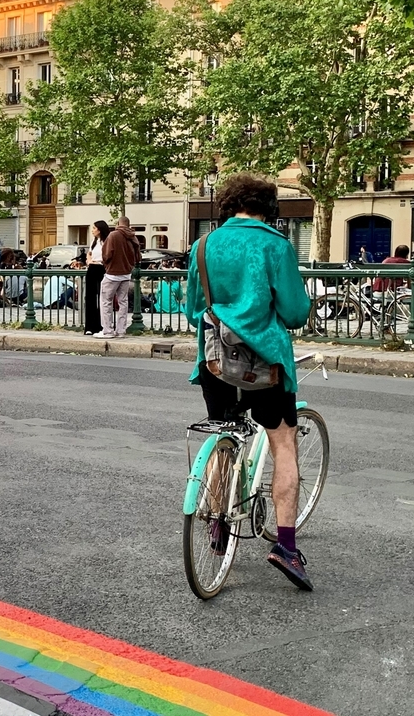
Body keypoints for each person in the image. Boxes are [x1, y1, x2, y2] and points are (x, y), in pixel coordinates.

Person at [184, 173, 313, 591]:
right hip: (266, 364)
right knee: (283, 443)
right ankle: (287, 548)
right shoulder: (276, 245)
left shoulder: (203, 246)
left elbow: (193, 308)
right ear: (268, 208)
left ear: (227, 207)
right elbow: (294, 313)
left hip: (217, 362)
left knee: (224, 433)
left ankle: (218, 525)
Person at [98, 216, 140, 338]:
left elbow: (106, 255)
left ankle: (108, 330)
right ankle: (121, 330)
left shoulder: (113, 235)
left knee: (106, 302)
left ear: (118, 223)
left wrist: (106, 264)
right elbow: (138, 256)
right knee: (123, 302)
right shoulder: (133, 237)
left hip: (112, 274)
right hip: (126, 274)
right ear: (128, 224)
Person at [84, 221, 110, 336]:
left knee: (102, 298)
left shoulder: (107, 241)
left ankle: (101, 325)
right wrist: (89, 261)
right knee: (90, 298)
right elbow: (89, 253)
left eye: (94, 228)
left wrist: (100, 261)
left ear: (100, 229)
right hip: (92, 269)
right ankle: (89, 326)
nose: (92, 230)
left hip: (102, 269)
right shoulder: (94, 242)